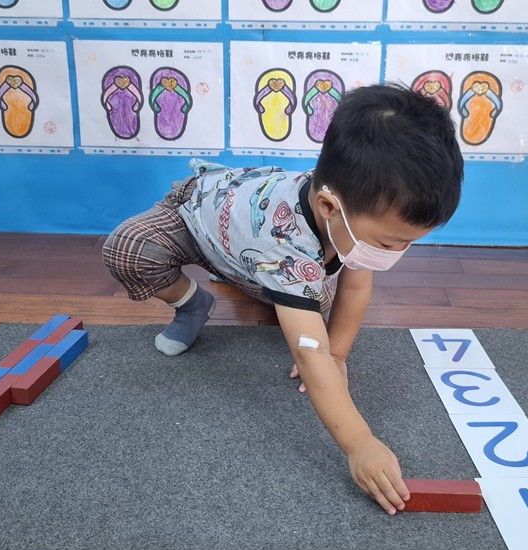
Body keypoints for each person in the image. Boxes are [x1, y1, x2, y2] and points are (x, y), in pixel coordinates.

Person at [102, 83, 463, 514]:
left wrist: (338, 355)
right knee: (127, 249)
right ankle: (193, 303)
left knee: (312, 303)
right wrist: (360, 443)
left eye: (408, 243)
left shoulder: (350, 207)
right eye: (388, 244)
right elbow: (309, 355)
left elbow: (355, 286)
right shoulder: (295, 240)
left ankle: (261, 284)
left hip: (256, 257)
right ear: (328, 206)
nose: (396, 254)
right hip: (197, 222)